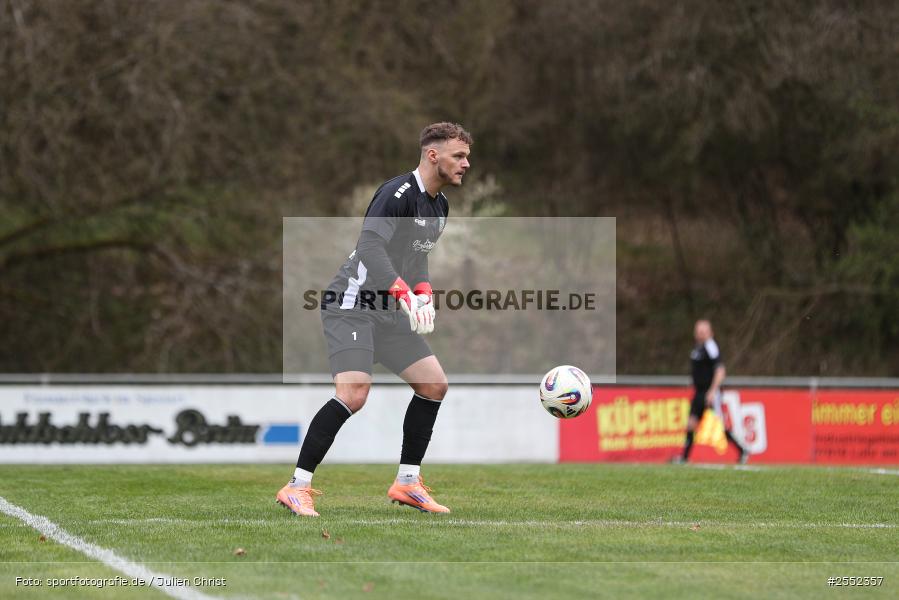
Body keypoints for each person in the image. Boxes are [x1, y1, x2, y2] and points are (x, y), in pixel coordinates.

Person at [276, 122, 472, 516]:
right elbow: (369, 246)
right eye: (459, 156)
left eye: (467, 156)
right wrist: (403, 293)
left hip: (387, 311)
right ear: (433, 155)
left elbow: (417, 258)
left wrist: (424, 295)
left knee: (434, 385)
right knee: (354, 394)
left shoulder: (439, 206)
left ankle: (408, 483)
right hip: (351, 303)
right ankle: (296, 487)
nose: (466, 164)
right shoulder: (396, 194)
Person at [678, 319, 749, 464]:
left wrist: (712, 391)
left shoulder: (711, 346)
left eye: (703, 331)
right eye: (698, 331)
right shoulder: (698, 347)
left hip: (709, 393)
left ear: (710, 333)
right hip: (699, 392)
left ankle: (742, 450)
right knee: (691, 424)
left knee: (720, 425)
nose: (700, 334)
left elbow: (720, 370)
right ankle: (684, 458)